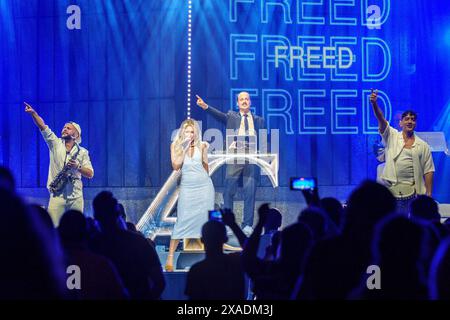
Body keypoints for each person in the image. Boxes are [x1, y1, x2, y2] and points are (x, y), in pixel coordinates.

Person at [196, 92, 266, 235]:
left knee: (250, 191)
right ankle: (228, 224)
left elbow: (263, 140)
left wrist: (262, 156)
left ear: (250, 102)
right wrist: (205, 107)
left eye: (247, 99)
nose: (244, 101)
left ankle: (247, 225)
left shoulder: (259, 120)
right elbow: (218, 115)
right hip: (234, 155)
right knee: (228, 191)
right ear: (237, 103)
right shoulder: (231, 116)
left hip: (251, 157)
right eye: (241, 99)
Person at [24, 102, 94, 226]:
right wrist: (33, 114)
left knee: (76, 229)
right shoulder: (55, 144)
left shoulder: (83, 152)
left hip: (76, 197)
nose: (64, 129)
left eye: (68, 128)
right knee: (54, 228)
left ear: (76, 135)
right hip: (57, 195)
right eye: (64, 127)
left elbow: (90, 173)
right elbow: (43, 127)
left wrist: (77, 166)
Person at [369, 90, 435, 215]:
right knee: (394, 223)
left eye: (413, 119)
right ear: (401, 123)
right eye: (407, 119)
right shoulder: (392, 136)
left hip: (414, 193)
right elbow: (381, 119)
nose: (410, 121)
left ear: (415, 123)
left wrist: (429, 194)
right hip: (391, 190)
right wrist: (374, 104)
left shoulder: (423, 145)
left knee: (413, 224)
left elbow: (429, 170)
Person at [164, 119, 215, 271]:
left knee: (206, 223)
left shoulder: (202, 145)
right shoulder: (176, 145)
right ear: (182, 132)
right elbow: (176, 165)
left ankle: (210, 258)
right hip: (187, 187)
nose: (190, 134)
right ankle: (170, 258)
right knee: (181, 222)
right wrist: (184, 147)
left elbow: (206, 168)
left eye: (192, 131)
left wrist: (205, 156)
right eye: (187, 131)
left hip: (204, 187)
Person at [185, 220, 246, 300]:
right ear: (225, 239)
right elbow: (250, 250)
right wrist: (233, 224)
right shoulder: (235, 266)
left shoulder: (196, 270)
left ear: (202, 240)